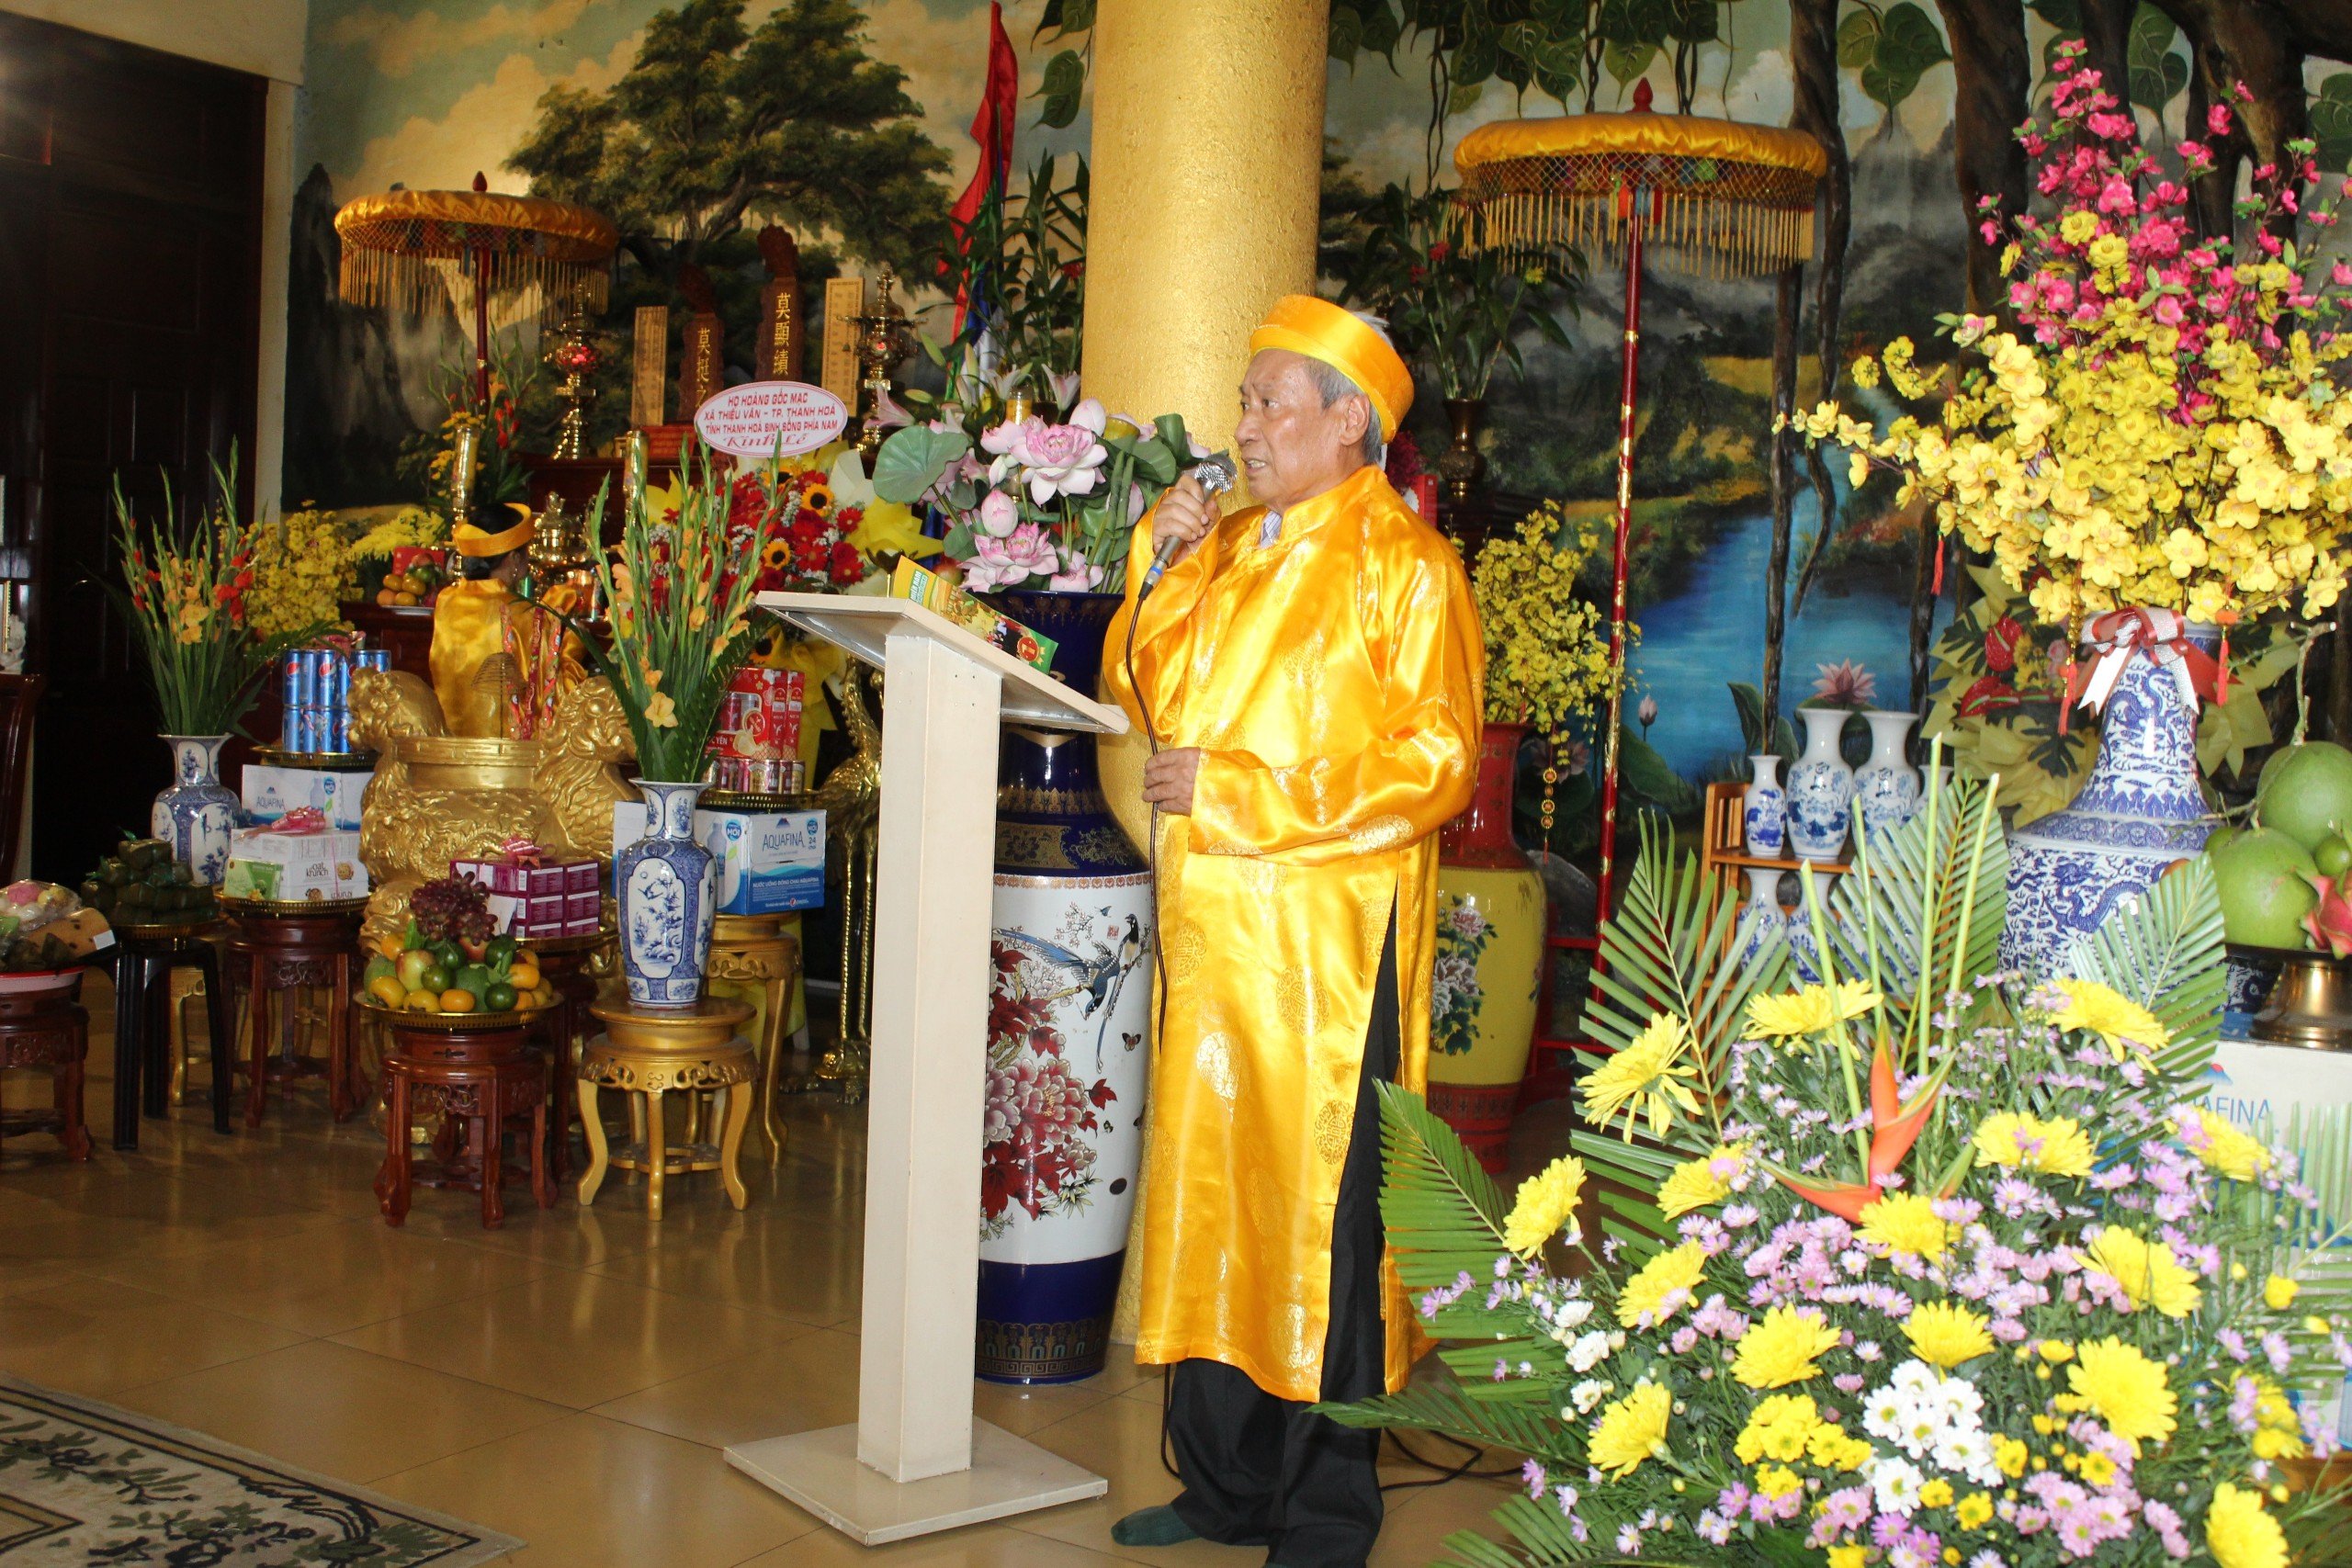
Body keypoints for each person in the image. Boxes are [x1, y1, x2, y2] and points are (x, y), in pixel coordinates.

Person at [1102, 295, 1484, 1568]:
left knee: (1328, 1225)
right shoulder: (1227, 547)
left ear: (1348, 420)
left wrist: (1243, 794)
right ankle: (1224, 1486)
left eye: (1270, 402)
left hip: (1331, 952)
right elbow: (1149, 691)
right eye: (1245, 401)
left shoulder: (1407, 565)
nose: (1246, 426)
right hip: (1217, 942)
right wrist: (1159, 562)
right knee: (1215, 1205)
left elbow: (1436, 763)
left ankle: (1324, 1512)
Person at [429, 505, 577, 739]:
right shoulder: (523, 613)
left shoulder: (446, 600)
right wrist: (574, 643)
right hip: (506, 754)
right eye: (527, 550)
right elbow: (549, 699)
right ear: (514, 558)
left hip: (449, 747)